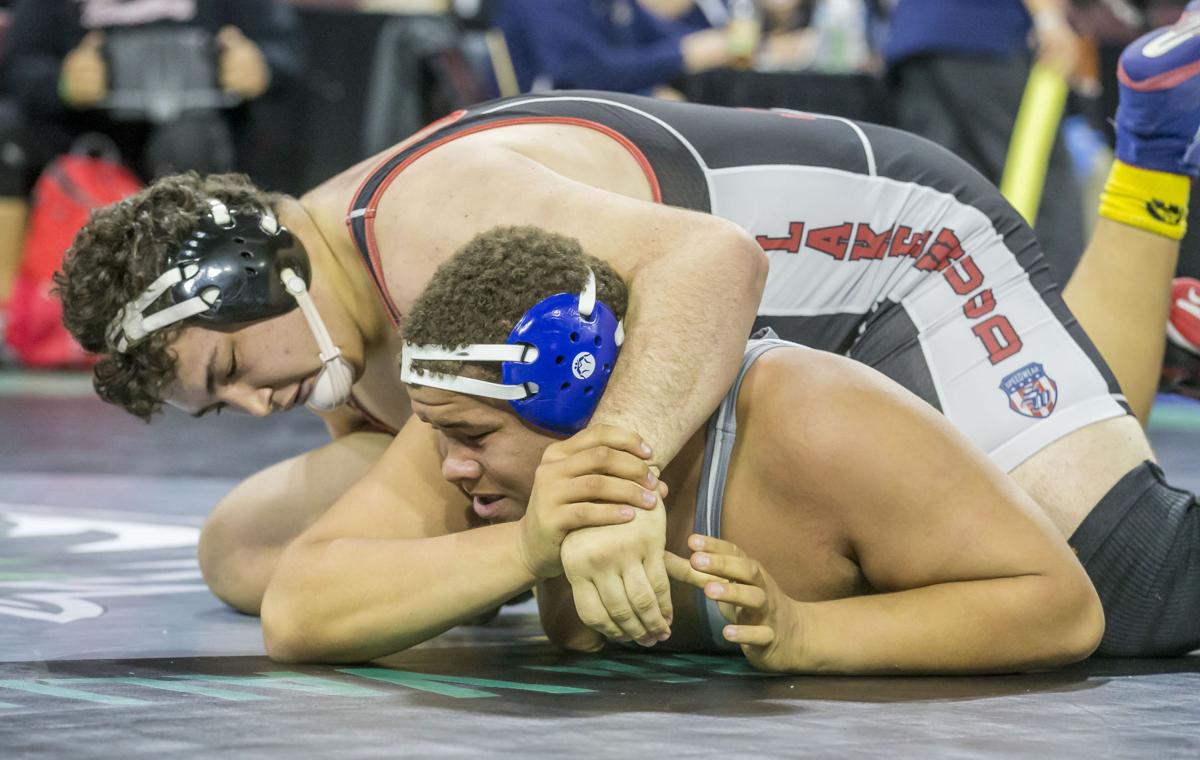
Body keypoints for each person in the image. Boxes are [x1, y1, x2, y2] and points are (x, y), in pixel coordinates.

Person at [55, 11, 1200, 656]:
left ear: (260, 271)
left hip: (889, 265)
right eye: (219, 406)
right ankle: (1145, 194)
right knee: (243, 553)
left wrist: (608, 493)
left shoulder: (424, 225)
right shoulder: (365, 302)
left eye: (229, 370)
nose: (255, 407)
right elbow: (277, 577)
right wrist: (518, 545)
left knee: (1126, 579)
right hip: (757, 314)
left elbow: (713, 261)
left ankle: (1151, 157)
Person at [259, 225, 1104, 672]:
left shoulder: (811, 419)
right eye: (438, 433)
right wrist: (523, 548)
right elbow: (298, 609)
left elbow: (1064, 607)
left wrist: (814, 636)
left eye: (471, 438)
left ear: (575, 392)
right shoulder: (476, 419)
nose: (450, 467)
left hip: (1050, 472)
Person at [885, 0, 1087, 287]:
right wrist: (1050, 19)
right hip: (985, 36)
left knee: (943, 192)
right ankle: (1055, 311)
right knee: (1044, 186)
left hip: (914, 44)